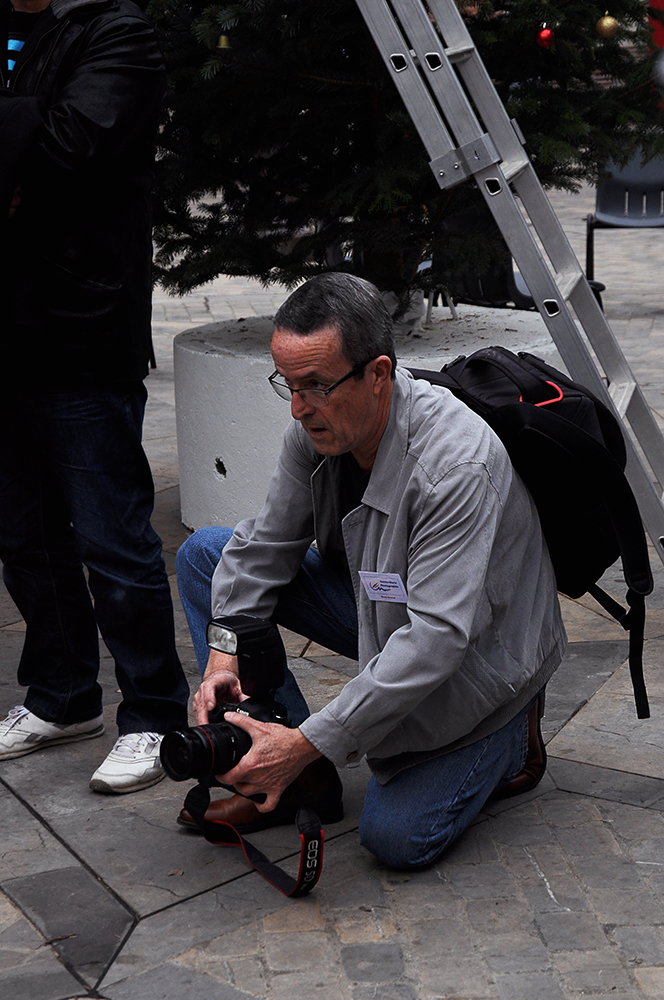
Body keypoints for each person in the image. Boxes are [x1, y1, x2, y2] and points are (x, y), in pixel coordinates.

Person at [176, 272, 566, 868]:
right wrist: (223, 655)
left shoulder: (454, 466)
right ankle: (297, 776)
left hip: (476, 654)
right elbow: (261, 549)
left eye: (315, 386)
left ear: (378, 374)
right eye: (287, 383)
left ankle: (511, 738)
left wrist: (310, 740)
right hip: (386, 606)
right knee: (207, 555)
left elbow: (435, 641)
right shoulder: (315, 430)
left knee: (397, 840)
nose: (298, 408)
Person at [0, 0, 190, 792]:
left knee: (112, 540)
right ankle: (64, 693)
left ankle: (154, 712)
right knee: (23, 539)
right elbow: (37, 147)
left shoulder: (115, 31)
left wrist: (26, 153)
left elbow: (71, 150)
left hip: (80, 329)